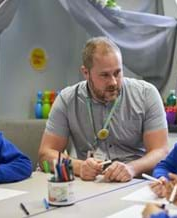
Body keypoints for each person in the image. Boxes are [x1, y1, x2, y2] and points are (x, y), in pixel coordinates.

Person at [38, 36, 168, 182]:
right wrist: (78, 166)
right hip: (90, 184)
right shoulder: (67, 100)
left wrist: (131, 168)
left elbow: (161, 152)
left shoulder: (146, 94)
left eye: (117, 73)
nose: (113, 82)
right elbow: (45, 155)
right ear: (86, 73)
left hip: (134, 181)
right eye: (105, 75)